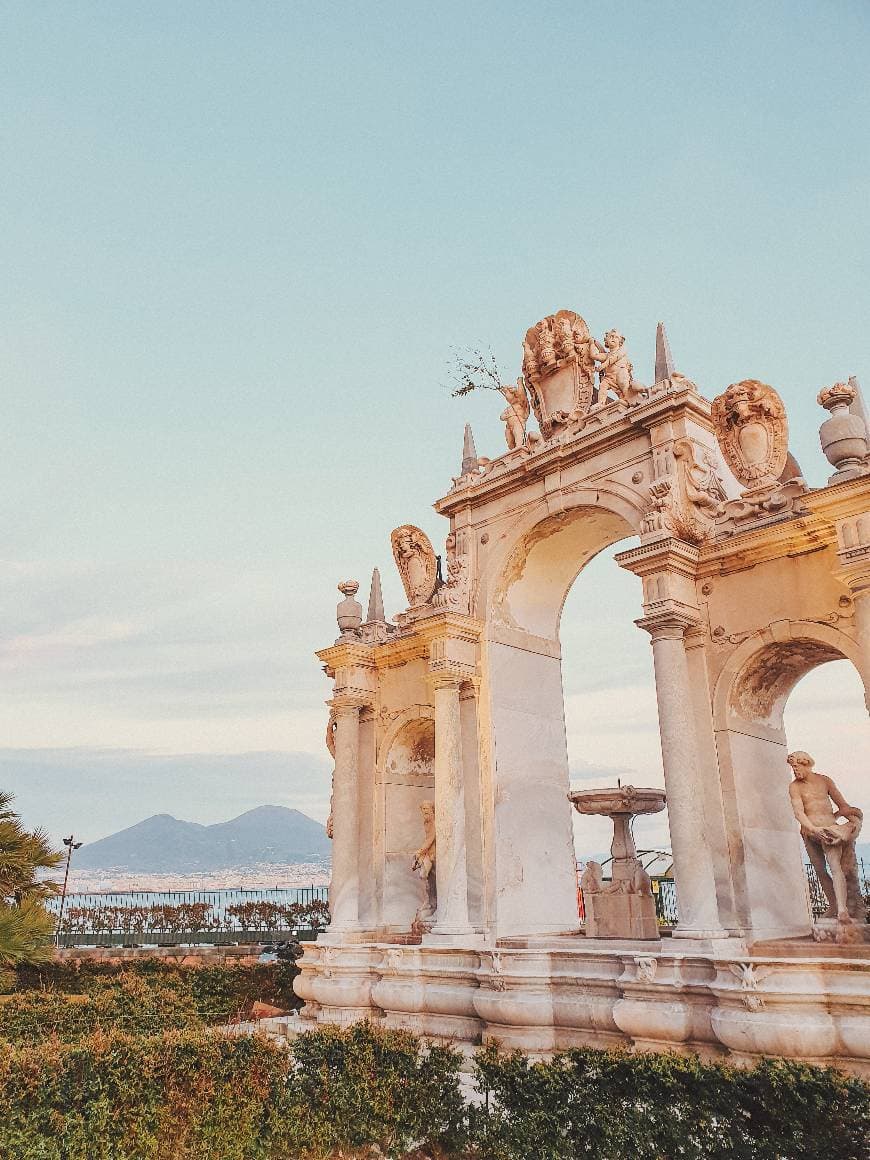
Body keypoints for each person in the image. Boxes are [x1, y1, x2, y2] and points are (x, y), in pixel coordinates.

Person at [787, 751, 863, 922]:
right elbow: (799, 812)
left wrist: (852, 822)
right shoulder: (795, 787)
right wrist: (813, 829)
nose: (794, 770)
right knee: (820, 870)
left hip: (828, 829)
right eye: (793, 767)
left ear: (806, 764)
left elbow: (842, 806)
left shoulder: (824, 781)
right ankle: (834, 905)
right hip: (810, 831)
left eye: (796, 766)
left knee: (835, 866)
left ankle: (843, 910)